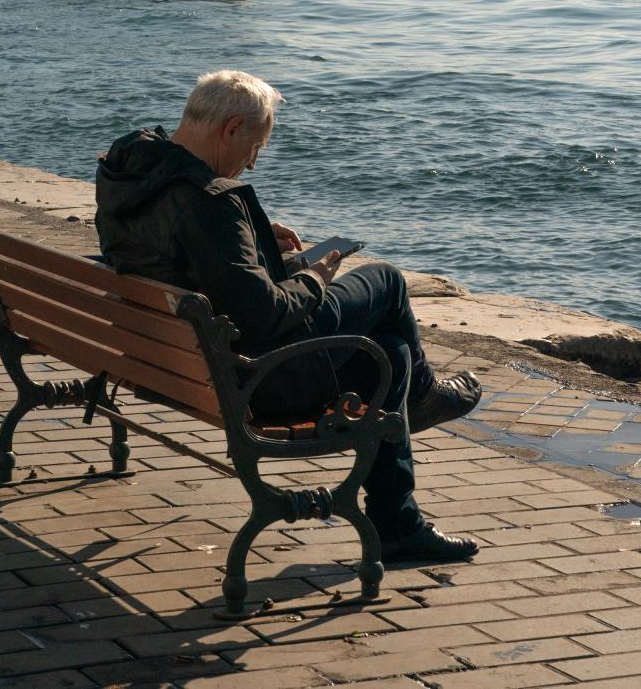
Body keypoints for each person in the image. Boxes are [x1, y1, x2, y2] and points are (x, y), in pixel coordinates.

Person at [95, 70, 485, 564]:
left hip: (167, 355)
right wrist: (318, 274)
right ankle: (421, 407)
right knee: (386, 282)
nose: (253, 161)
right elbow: (267, 314)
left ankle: (401, 519)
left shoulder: (130, 165)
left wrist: (255, 242)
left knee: (392, 354)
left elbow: (180, 255)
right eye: (255, 146)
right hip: (254, 376)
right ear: (232, 128)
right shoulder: (209, 200)